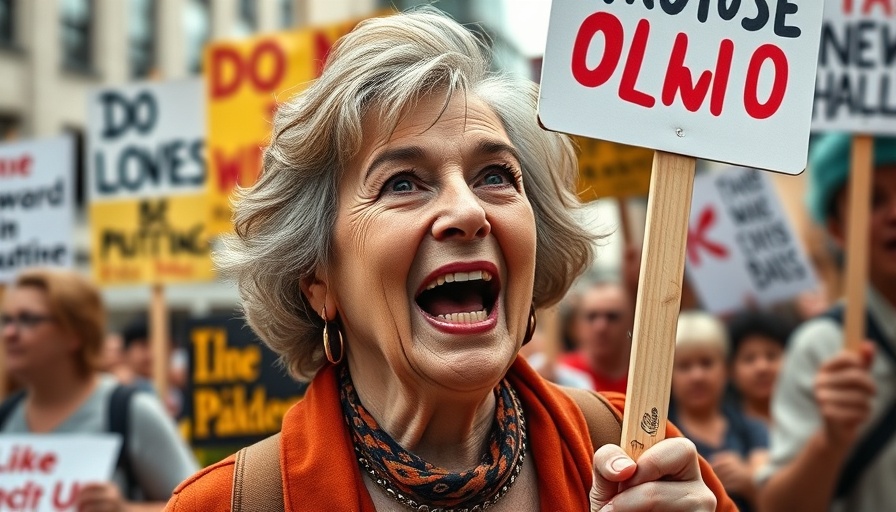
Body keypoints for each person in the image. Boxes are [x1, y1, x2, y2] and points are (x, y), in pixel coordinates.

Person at [166, 9, 734, 511]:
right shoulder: (225, 506)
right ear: (317, 280)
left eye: (494, 175)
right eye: (403, 183)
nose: (467, 211)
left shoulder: (642, 457)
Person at [757, 135, 896, 512]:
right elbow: (777, 506)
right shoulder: (820, 345)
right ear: (836, 229)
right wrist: (830, 440)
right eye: (873, 199)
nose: (894, 213)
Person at [0, 268, 199, 510]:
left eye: (28, 319)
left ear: (75, 333)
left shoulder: (130, 410)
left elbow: (203, 505)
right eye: (6, 320)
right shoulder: (6, 415)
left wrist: (125, 509)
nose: (9, 333)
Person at [670, 311, 769, 511]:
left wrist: (749, 483)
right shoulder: (660, 435)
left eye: (706, 363)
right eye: (684, 366)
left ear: (725, 369)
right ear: (668, 375)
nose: (697, 376)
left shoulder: (753, 430)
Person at [559, 281, 635, 393]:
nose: (601, 327)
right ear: (576, 326)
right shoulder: (559, 375)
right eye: (591, 316)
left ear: (631, 322)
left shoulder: (647, 379)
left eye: (612, 316)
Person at [725, 310, 792, 425]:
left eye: (771, 356)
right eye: (749, 359)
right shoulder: (724, 429)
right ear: (730, 371)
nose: (762, 368)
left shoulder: (812, 417)